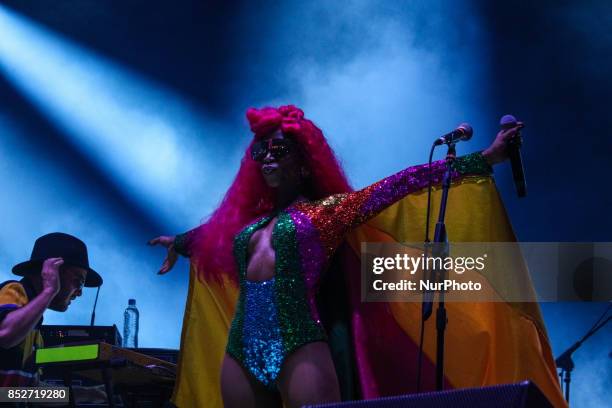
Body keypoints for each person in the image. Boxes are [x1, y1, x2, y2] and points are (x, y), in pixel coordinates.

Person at [149, 105, 568, 408]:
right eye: (262, 151)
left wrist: (485, 158)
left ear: (304, 160)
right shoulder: (251, 225)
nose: (269, 157)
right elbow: (215, 233)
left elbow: (398, 185)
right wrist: (181, 242)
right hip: (241, 347)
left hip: (299, 346)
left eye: (280, 149)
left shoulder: (327, 214)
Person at [0, 232, 103, 387]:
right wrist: (49, 290)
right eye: (78, 282)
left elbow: (25, 395)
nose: (80, 292)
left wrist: (86, 395)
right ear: (51, 273)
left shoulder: (35, 332)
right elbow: (5, 335)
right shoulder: (14, 290)